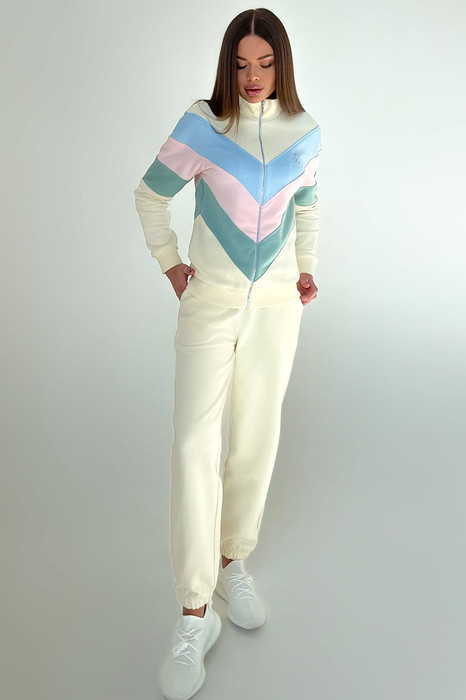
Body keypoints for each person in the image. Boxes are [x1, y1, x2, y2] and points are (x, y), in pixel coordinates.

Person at [134, 7, 322, 699]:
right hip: (209, 302)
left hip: (276, 308)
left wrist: (306, 267)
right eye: (241, 64)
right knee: (194, 444)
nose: (252, 76)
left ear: (282, 64)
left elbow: (309, 205)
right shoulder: (203, 126)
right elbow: (150, 196)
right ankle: (194, 613)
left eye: (265, 63)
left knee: (256, 437)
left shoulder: (306, 131)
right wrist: (171, 265)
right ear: (227, 65)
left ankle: (231, 562)